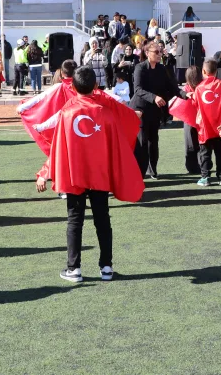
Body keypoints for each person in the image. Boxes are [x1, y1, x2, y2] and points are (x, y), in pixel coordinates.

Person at [34, 66, 144, 283]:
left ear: (73, 87)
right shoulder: (106, 114)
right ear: (96, 86)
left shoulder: (67, 113)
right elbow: (118, 145)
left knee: (75, 221)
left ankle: (73, 269)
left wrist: (44, 173)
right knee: (102, 220)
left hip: (75, 176)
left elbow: (57, 149)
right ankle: (107, 267)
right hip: (99, 176)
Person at [130, 41, 179, 179]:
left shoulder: (162, 69)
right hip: (140, 110)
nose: (159, 54)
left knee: (154, 141)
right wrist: (154, 97)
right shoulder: (140, 67)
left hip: (155, 110)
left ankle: (153, 170)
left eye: (160, 51)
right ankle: (139, 173)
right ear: (147, 53)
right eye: (156, 52)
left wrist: (186, 95)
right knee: (142, 142)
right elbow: (138, 89)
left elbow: (172, 88)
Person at [190, 60, 221, 188]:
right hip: (219, 126)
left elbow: (195, 104)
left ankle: (205, 177)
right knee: (220, 153)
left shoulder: (199, 88)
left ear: (203, 71)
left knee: (205, 153)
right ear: (216, 71)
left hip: (204, 126)